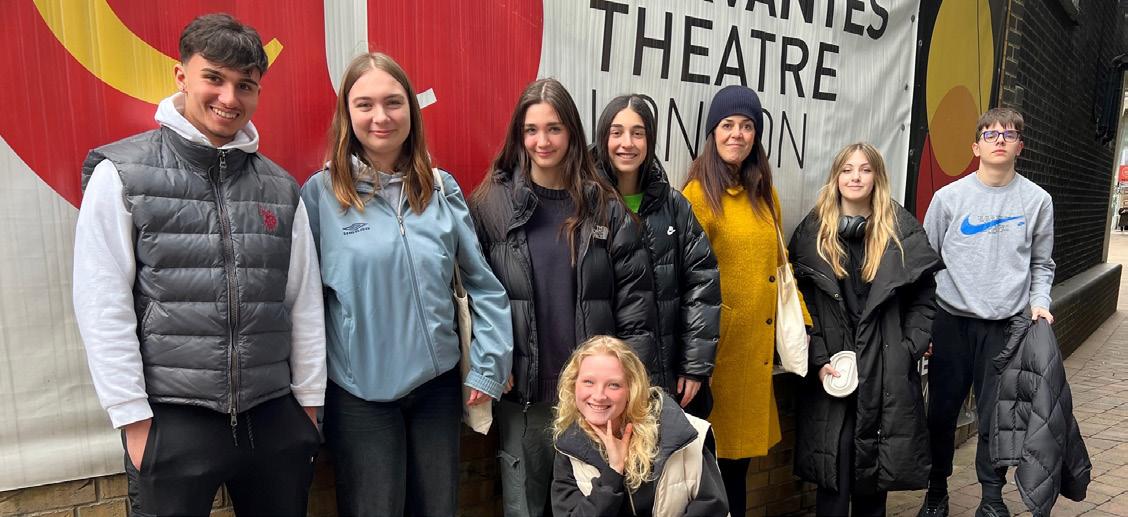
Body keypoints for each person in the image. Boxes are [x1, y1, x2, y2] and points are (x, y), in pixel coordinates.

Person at [73, 14, 325, 515]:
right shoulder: (121, 175)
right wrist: (133, 418)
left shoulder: (280, 187)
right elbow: (102, 303)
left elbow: (303, 302)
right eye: (214, 78)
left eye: (245, 85)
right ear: (181, 76)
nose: (229, 98)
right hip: (172, 420)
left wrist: (309, 407)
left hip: (274, 417)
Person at [299, 52, 513, 516]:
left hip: (436, 389)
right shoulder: (320, 195)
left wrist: (488, 366)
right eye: (365, 104)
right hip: (360, 397)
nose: (381, 116)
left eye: (393, 102)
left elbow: (483, 284)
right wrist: (306, 395)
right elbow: (301, 304)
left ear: (411, 111)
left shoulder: (440, 189)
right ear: (347, 114)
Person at [469, 78, 657, 517]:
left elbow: (635, 305)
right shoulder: (491, 205)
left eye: (554, 128)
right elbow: (473, 291)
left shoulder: (604, 206)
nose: (543, 141)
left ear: (571, 132)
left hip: (592, 399)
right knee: (527, 507)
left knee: (595, 507)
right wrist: (493, 358)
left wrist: (630, 387)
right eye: (531, 130)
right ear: (518, 135)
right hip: (526, 395)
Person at [788, 143, 944, 516]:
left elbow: (924, 300)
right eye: (847, 169)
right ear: (835, 177)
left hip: (884, 369)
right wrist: (818, 357)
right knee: (834, 475)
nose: (855, 177)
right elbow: (798, 305)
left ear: (877, 177)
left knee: (874, 475)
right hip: (834, 372)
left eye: (864, 169)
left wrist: (906, 348)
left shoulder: (901, 232)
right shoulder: (812, 233)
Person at [680, 84, 811, 515]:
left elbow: (781, 265)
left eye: (747, 125)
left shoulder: (764, 194)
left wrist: (802, 321)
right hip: (718, 358)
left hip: (754, 358)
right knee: (709, 471)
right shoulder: (698, 195)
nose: (737, 134)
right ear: (713, 133)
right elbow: (686, 280)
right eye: (727, 124)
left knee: (737, 471)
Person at [919, 107, 1055, 517]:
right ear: (976, 146)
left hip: (1007, 326)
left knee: (999, 417)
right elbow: (925, 264)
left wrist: (1040, 303)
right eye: (991, 134)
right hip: (951, 322)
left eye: (1009, 135)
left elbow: (1042, 264)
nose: (1000, 140)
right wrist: (924, 324)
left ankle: (992, 498)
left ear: (1020, 147)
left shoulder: (1037, 201)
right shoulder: (948, 199)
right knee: (941, 413)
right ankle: (936, 492)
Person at [591, 94, 721, 416]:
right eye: (617, 132)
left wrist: (694, 365)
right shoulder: (585, 205)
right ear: (603, 137)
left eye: (638, 133)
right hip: (605, 383)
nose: (627, 143)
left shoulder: (673, 205)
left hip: (666, 378)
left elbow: (702, 282)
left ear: (649, 140)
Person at [551, 336, 729, 516]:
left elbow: (713, 509)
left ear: (632, 389)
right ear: (573, 385)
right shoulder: (568, 447)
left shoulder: (685, 433)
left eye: (613, 385)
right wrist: (613, 473)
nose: (599, 396)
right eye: (588, 382)